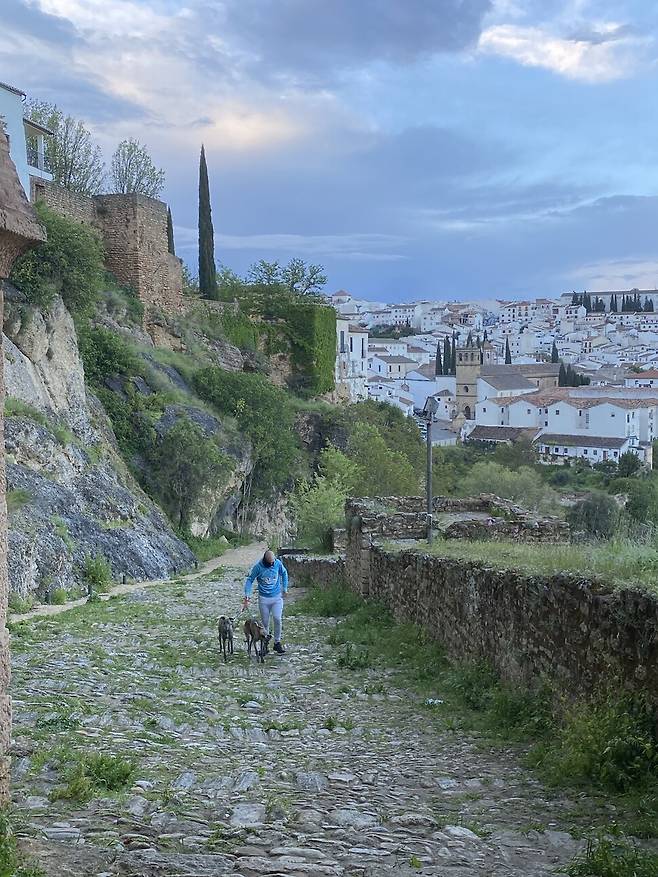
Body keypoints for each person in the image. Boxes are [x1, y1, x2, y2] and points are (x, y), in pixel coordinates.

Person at [243, 549, 288, 655]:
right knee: (265, 623)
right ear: (265, 561)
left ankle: (277, 642)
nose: (272, 564)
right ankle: (265, 645)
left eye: (273, 562)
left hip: (277, 597)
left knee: (277, 618)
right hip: (264, 599)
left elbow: (284, 573)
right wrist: (247, 595)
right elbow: (250, 580)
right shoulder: (258, 567)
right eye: (270, 563)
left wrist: (285, 588)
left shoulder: (277, 563)